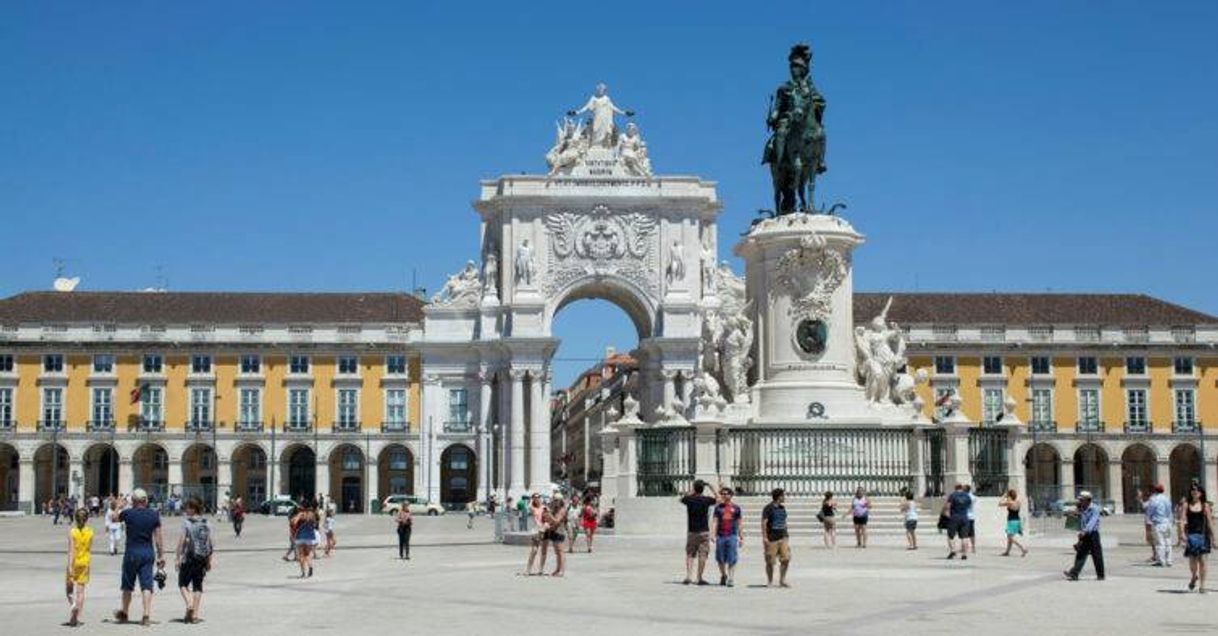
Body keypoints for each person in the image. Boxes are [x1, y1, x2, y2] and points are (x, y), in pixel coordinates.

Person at [114, 488, 165, 626]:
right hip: (148, 553)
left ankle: (124, 613)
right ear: (146, 501)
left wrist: (118, 506)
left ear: (133, 501)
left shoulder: (128, 513)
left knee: (127, 586)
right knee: (147, 586)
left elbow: (114, 519)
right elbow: (158, 538)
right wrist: (161, 556)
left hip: (131, 553)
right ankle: (146, 615)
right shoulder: (154, 515)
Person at [175, 497, 213, 624]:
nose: (185, 510)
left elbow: (181, 541)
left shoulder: (187, 523)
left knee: (182, 584)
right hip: (201, 558)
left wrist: (177, 558)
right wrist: (209, 561)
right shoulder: (206, 522)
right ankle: (195, 615)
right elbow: (209, 544)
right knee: (198, 586)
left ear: (192, 508)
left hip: (189, 557)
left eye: (187, 508)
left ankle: (189, 603)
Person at [1177, 483, 1214, 593]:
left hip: (1203, 536)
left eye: (1197, 490)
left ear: (1201, 493)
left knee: (1203, 561)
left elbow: (1210, 522)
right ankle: (1194, 576)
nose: (1194, 492)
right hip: (1191, 536)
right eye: (1192, 490)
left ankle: (1202, 585)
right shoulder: (1186, 505)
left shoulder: (1205, 505)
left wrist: (1214, 538)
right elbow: (1182, 520)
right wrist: (1182, 533)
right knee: (1193, 561)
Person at [679, 480, 716, 585]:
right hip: (704, 531)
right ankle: (699, 577)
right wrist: (711, 487)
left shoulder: (689, 499)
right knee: (703, 555)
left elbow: (681, 499)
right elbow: (718, 499)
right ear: (703, 489)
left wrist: (692, 490)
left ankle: (688, 576)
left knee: (690, 554)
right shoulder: (706, 500)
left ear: (695, 488)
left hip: (692, 531)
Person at [1064, 491, 1104, 581]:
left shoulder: (1095, 508)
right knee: (1081, 554)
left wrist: (1085, 530)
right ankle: (1074, 574)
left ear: (1087, 500)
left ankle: (1100, 575)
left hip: (1093, 534)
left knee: (1097, 555)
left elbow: (1092, 522)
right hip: (1084, 534)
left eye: (1082, 500)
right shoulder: (1082, 508)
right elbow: (1079, 520)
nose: (1080, 501)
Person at [66, 508, 94, 627]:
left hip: (75, 562)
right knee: (81, 591)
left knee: (69, 590)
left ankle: (73, 605)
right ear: (86, 519)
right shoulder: (90, 532)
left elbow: (71, 550)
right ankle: (76, 619)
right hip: (85, 562)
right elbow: (88, 547)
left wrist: (69, 566)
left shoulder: (72, 532)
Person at [713, 487, 743, 587]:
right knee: (720, 558)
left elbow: (739, 522)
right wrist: (713, 534)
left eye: (726, 494)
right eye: (723, 494)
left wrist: (741, 535)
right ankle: (723, 575)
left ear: (731, 495)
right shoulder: (718, 508)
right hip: (721, 535)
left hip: (732, 535)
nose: (724, 495)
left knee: (732, 557)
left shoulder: (736, 508)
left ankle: (731, 578)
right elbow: (715, 521)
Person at [761, 488, 791, 587]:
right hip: (771, 538)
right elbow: (764, 523)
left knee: (786, 559)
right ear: (779, 497)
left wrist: (786, 535)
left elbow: (784, 521)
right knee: (770, 561)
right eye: (783, 496)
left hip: (783, 537)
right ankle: (770, 581)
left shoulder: (782, 508)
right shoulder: (768, 508)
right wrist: (765, 537)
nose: (784, 497)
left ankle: (782, 580)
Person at [1145, 483, 1174, 567]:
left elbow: (1150, 511)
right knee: (1168, 541)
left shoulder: (1153, 499)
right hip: (1167, 522)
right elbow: (1169, 511)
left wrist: (1148, 522)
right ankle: (1169, 560)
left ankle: (1161, 560)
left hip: (1158, 523)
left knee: (1159, 542)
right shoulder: (1166, 498)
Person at [942, 483, 972, 560]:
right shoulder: (967, 496)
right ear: (961, 488)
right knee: (964, 537)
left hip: (954, 517)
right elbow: (969, 506)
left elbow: (947, 506)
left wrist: (946, 514)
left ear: (955, 488)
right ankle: (964, 554)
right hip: (964, 517)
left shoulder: (952, 495)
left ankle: (953, 551)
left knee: (951, 536)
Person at [524, 493, 548, 576]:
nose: (537, 499)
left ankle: (541, 569)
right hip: (536, 530)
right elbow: (527, 507)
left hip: (544, 528)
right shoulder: (532, 507)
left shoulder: (544, 507)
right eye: (535, 498)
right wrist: (531, 500)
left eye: (538, 497)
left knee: (544, 550)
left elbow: (548, 516)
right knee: (534, 550)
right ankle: (528, 569)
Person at [998, 489, 1027, 557]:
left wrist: (1004, 496)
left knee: (1010, 538)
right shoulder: (1018, 502)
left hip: (1011, 521)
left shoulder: (1009, 503)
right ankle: (1007, 552)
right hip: (1017, 520)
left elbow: (999, 503)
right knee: (1010, 538)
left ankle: (1023, 548)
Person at [546, 494, 567, 577]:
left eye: (556, 500)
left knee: (560, 552)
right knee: (557, 553)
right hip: (554, 531)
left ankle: (562, 570)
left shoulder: (562, 510)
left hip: (560, 532)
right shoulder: (554, 509)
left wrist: (549, 515)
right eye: (554, 500)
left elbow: (557, 521)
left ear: (561, 501)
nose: (555, 502)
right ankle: (557, 569)